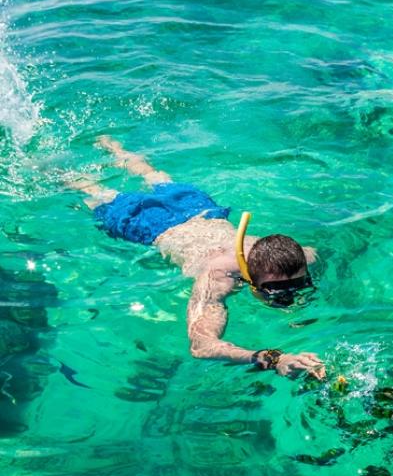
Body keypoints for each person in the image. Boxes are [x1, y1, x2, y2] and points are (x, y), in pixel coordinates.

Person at [70, 136, 326, 380]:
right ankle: (47, 165)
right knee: (95, 192)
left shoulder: (301, 255)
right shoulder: (218, 277)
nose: (291, 298)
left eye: (300, 284)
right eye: (277, 292)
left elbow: (317, 253)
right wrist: (273, 358)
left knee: (154, 175)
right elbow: (201, 345)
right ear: (249, 277)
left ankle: (112, 146)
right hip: (152, 225)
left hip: (200, 209)